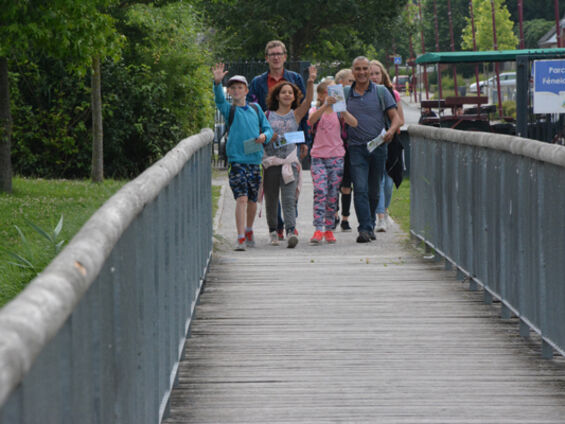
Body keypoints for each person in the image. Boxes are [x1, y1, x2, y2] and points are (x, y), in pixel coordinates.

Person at [247, 40, 309, 240]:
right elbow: (252, 111)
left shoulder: (295, 78)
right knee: (272, 193)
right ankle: (277, 227)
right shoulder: (258, 82)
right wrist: (260, 135)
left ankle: (291, 227)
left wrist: (304, 140)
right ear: (266, 58)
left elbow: (304, 111)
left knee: (290, 189)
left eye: (279, 53)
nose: (275, 57)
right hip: (269, 145)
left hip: (291, 141)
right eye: (272, 54)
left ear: (284, 56)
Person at [212, 63, 273, 251]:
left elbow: (268, 129)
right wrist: (217, 82)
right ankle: (239, 237)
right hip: (237, 161)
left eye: (240, 87)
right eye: (233, 88)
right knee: (242, 198)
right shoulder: (228, 109)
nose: (237, 90)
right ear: (229, 91)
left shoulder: (255, 109)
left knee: (253, 200)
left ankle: (248, 229)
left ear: (246, 90)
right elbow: (219, 99)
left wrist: (264, 136)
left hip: (255, 161)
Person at [346, 56, 402, 243]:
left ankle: (369, 223)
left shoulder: (381, 92)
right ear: (353, 72)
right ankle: (364, 228)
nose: (362, 72)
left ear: (369, 71)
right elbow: (334, 116)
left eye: (365, 69)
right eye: (358, 69)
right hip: (356, 148)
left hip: (378, 147)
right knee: (360, 188)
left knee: (373, 190)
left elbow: (396, 118)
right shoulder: (345, 93)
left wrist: (391, 131)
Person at [262, 65, 317, 248]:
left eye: (290, 93)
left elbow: (309, 101)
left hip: (289, 162)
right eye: (283, 92)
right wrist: (269, 136)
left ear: (294, 97)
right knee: (271, 198)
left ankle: (291, 230)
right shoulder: (267, 115)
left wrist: (310, 81)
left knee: (289, 198)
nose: (287, 95)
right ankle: (273, 231)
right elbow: (260, 133)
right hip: (271, 163)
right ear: (277, 96)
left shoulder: (296, 115)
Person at [307, 80, 358, 244]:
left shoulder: (339, 113)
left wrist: (342, 110)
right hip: (318, 157)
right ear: (321, 95)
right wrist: (324, 106)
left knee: (331, 194)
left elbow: (354, 123)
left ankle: (329, 228)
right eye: (328, 92)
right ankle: (317, 229)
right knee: (320, 191)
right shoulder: (316, 110)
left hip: (336, 157)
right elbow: (311, 121)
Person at [368, 60, 405, 233]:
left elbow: (401, 119)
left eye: (377, 73)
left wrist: (389, 130)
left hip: (391, 142)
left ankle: (385, 209)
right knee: (379, 179)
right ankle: (380, 217)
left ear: (383, 75)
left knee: (389, 182)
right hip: (373, 143)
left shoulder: (393, 94)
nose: (374, 77)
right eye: (371, 74)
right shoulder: (365, 94)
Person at [334, 68, 355, 232]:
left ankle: (345, 218)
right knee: (334, 183)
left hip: (349, 146)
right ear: (340, 83)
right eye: (350, 81)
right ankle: (333, 214)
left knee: (347, 184)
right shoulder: (332, 98)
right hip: (333, 147)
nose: (353, 84)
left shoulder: (355, 98)